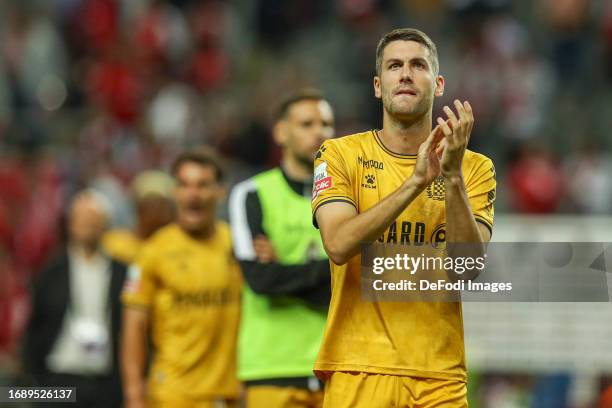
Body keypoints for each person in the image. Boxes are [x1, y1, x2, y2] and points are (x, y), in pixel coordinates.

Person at [311, 28, 496, 407]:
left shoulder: (475, 168)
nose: (406, 74)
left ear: (438, 83)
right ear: (378, 86)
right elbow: (339, 244)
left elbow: (467, 267)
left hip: (439, 376)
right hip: (358, 367)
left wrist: (454, 177)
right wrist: (415, 182)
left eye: (418, 65)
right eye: (395, 66)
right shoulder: (338, 154)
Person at [229, 90, 334, 408]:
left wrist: (284, 269)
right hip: (272, 366)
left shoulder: (352, 198)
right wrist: (330, 270)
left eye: (327, 124)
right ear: (280, 132)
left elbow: (362, 280)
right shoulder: (252, 194)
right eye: (307, 123)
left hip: (337, 364)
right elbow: (261, 280)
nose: (320, 132)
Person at [121, 148, 242, 408]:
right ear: (175, 192)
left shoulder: (238, 245)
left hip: (228, 395)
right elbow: (134, 326)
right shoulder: (154, 251)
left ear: (221, 192)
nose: (193, 194)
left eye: (202, 185)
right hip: (172, 396)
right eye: (184, 185)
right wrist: (133, 393)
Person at [23, 189, 127, 408]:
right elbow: (34, 327)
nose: (86, 225)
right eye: (80, 219)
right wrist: (33, 383)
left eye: (93, 219)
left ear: (106, 224)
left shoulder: (122, 273)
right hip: (57, 380)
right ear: (70, 224)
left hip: (105, 383)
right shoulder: (51, 272)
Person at [103, 170, 176, 264]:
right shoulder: (113, 245)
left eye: (168, 207)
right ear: (140, 209)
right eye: (157, 206)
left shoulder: (178, 246)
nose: (164, 214)